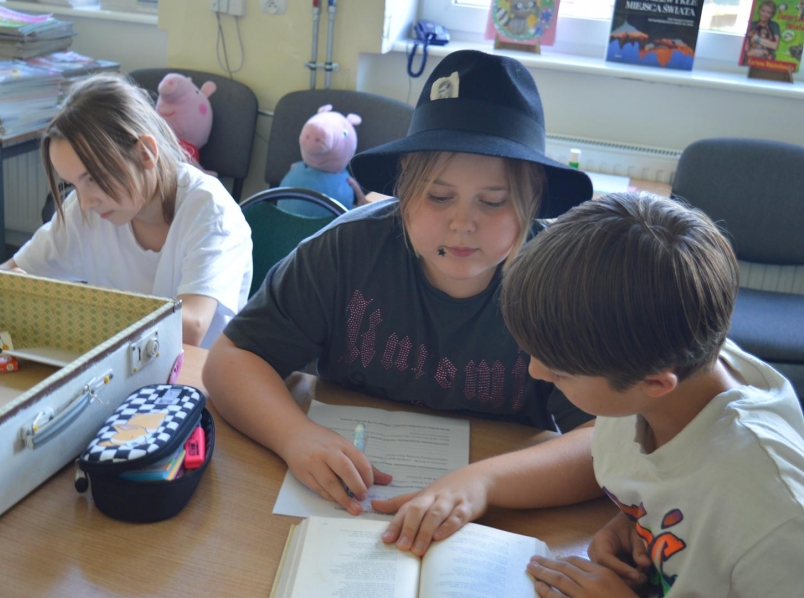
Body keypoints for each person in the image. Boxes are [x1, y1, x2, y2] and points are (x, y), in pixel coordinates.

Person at [203, 50, 598, 520]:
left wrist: (486, 482)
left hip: (498, 511)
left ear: (533, 200)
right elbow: (231, 360)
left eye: (493, 201)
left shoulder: (559, 287)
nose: (462, 223)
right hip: (345, 501)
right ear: (405, 189)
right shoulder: (345, 250)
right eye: (438, 196)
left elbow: (609, 440)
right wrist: (294, 435)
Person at [406, 191, 803, 596]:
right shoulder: (664, 363)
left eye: (560, 371)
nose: (535, 371)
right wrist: (637, 522)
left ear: (655, 383)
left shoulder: (774, 513)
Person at [0, 73, 252, 348]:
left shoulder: (210, 210)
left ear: (145, 153)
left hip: (196, 373)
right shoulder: (87, 209)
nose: (85, 202)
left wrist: (73, 313)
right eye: (73, 184)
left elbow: (190, 327)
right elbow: (15, 270)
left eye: (93, 179)